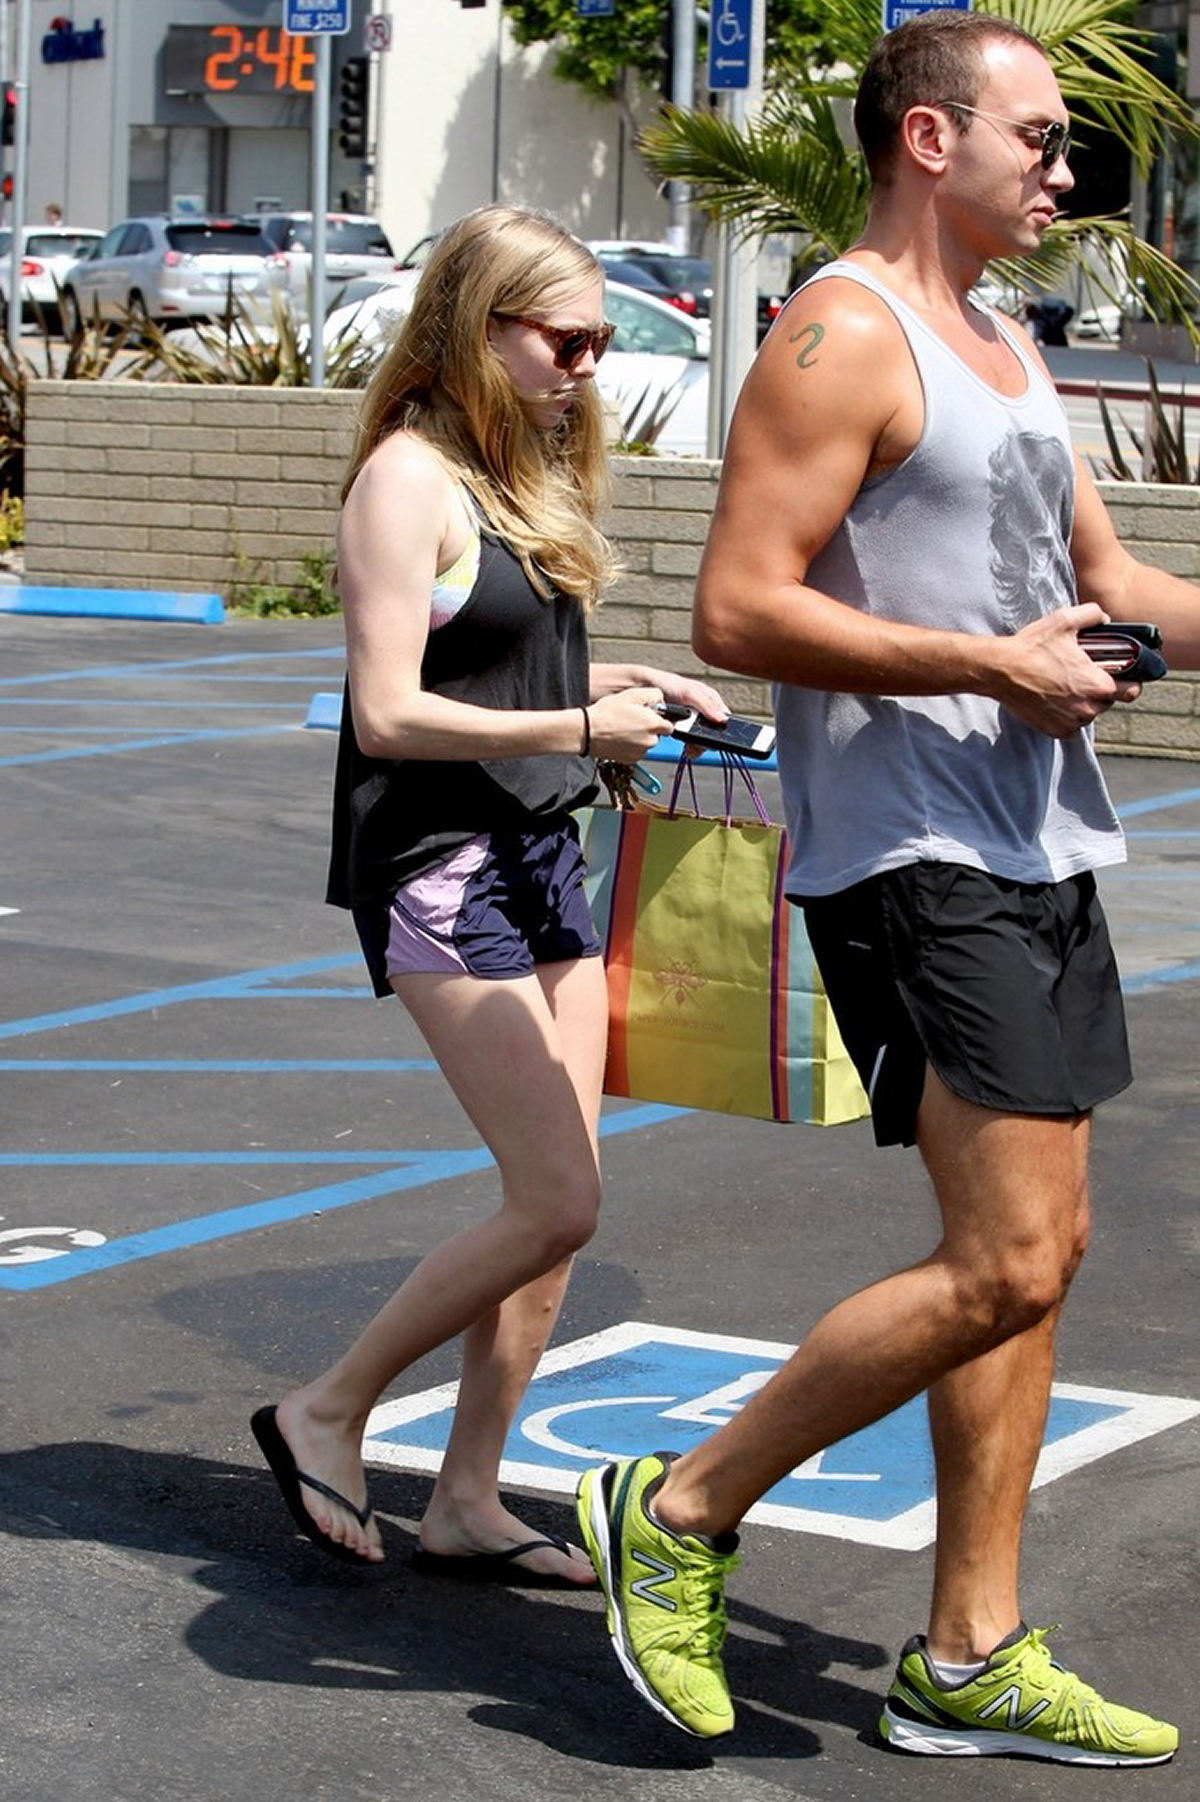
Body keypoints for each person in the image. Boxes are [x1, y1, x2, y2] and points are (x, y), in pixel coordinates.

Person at [574, 11, 1195, 1762]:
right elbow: (737, 607)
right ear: (929, 140)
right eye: (1040, 135)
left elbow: (1115, 581)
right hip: (914, 845)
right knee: (1003, 1254)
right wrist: (986, 670)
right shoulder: (839, 330)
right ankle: (679, 1506)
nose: (1064, 171)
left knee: (1042, 1253)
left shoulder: (998, 344)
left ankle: (970, 1649)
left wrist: (1060, 662)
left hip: (1038, 831)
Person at [251, 205, 727, 1584]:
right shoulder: (407, 478)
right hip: (439, 867)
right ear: (477, 326)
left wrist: (620, 686)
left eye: (602, 339)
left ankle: (466, 1493)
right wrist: (582, 729)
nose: (588, 363)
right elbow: (389, 711)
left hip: (538, 850)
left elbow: (503, 670)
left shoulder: (512, 463)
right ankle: (325, 1408)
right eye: (563, 336)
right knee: (555, 1194)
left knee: (561, 1200)